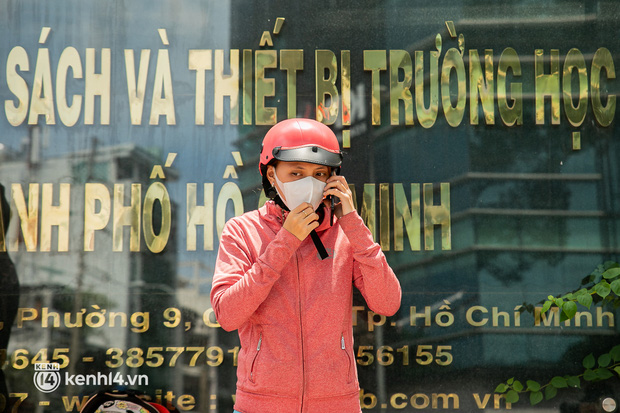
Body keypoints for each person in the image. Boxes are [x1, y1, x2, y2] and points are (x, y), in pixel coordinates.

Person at [210, 118, 401, 413]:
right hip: (260, 405)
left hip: (337, 405)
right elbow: (228, 314)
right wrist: (286, 240)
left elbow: (387, 302)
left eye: (319, 173)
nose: (309, 182)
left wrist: (351, 221)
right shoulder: (242, 230)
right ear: (272, 174)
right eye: (296, 172)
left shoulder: (346, 233)